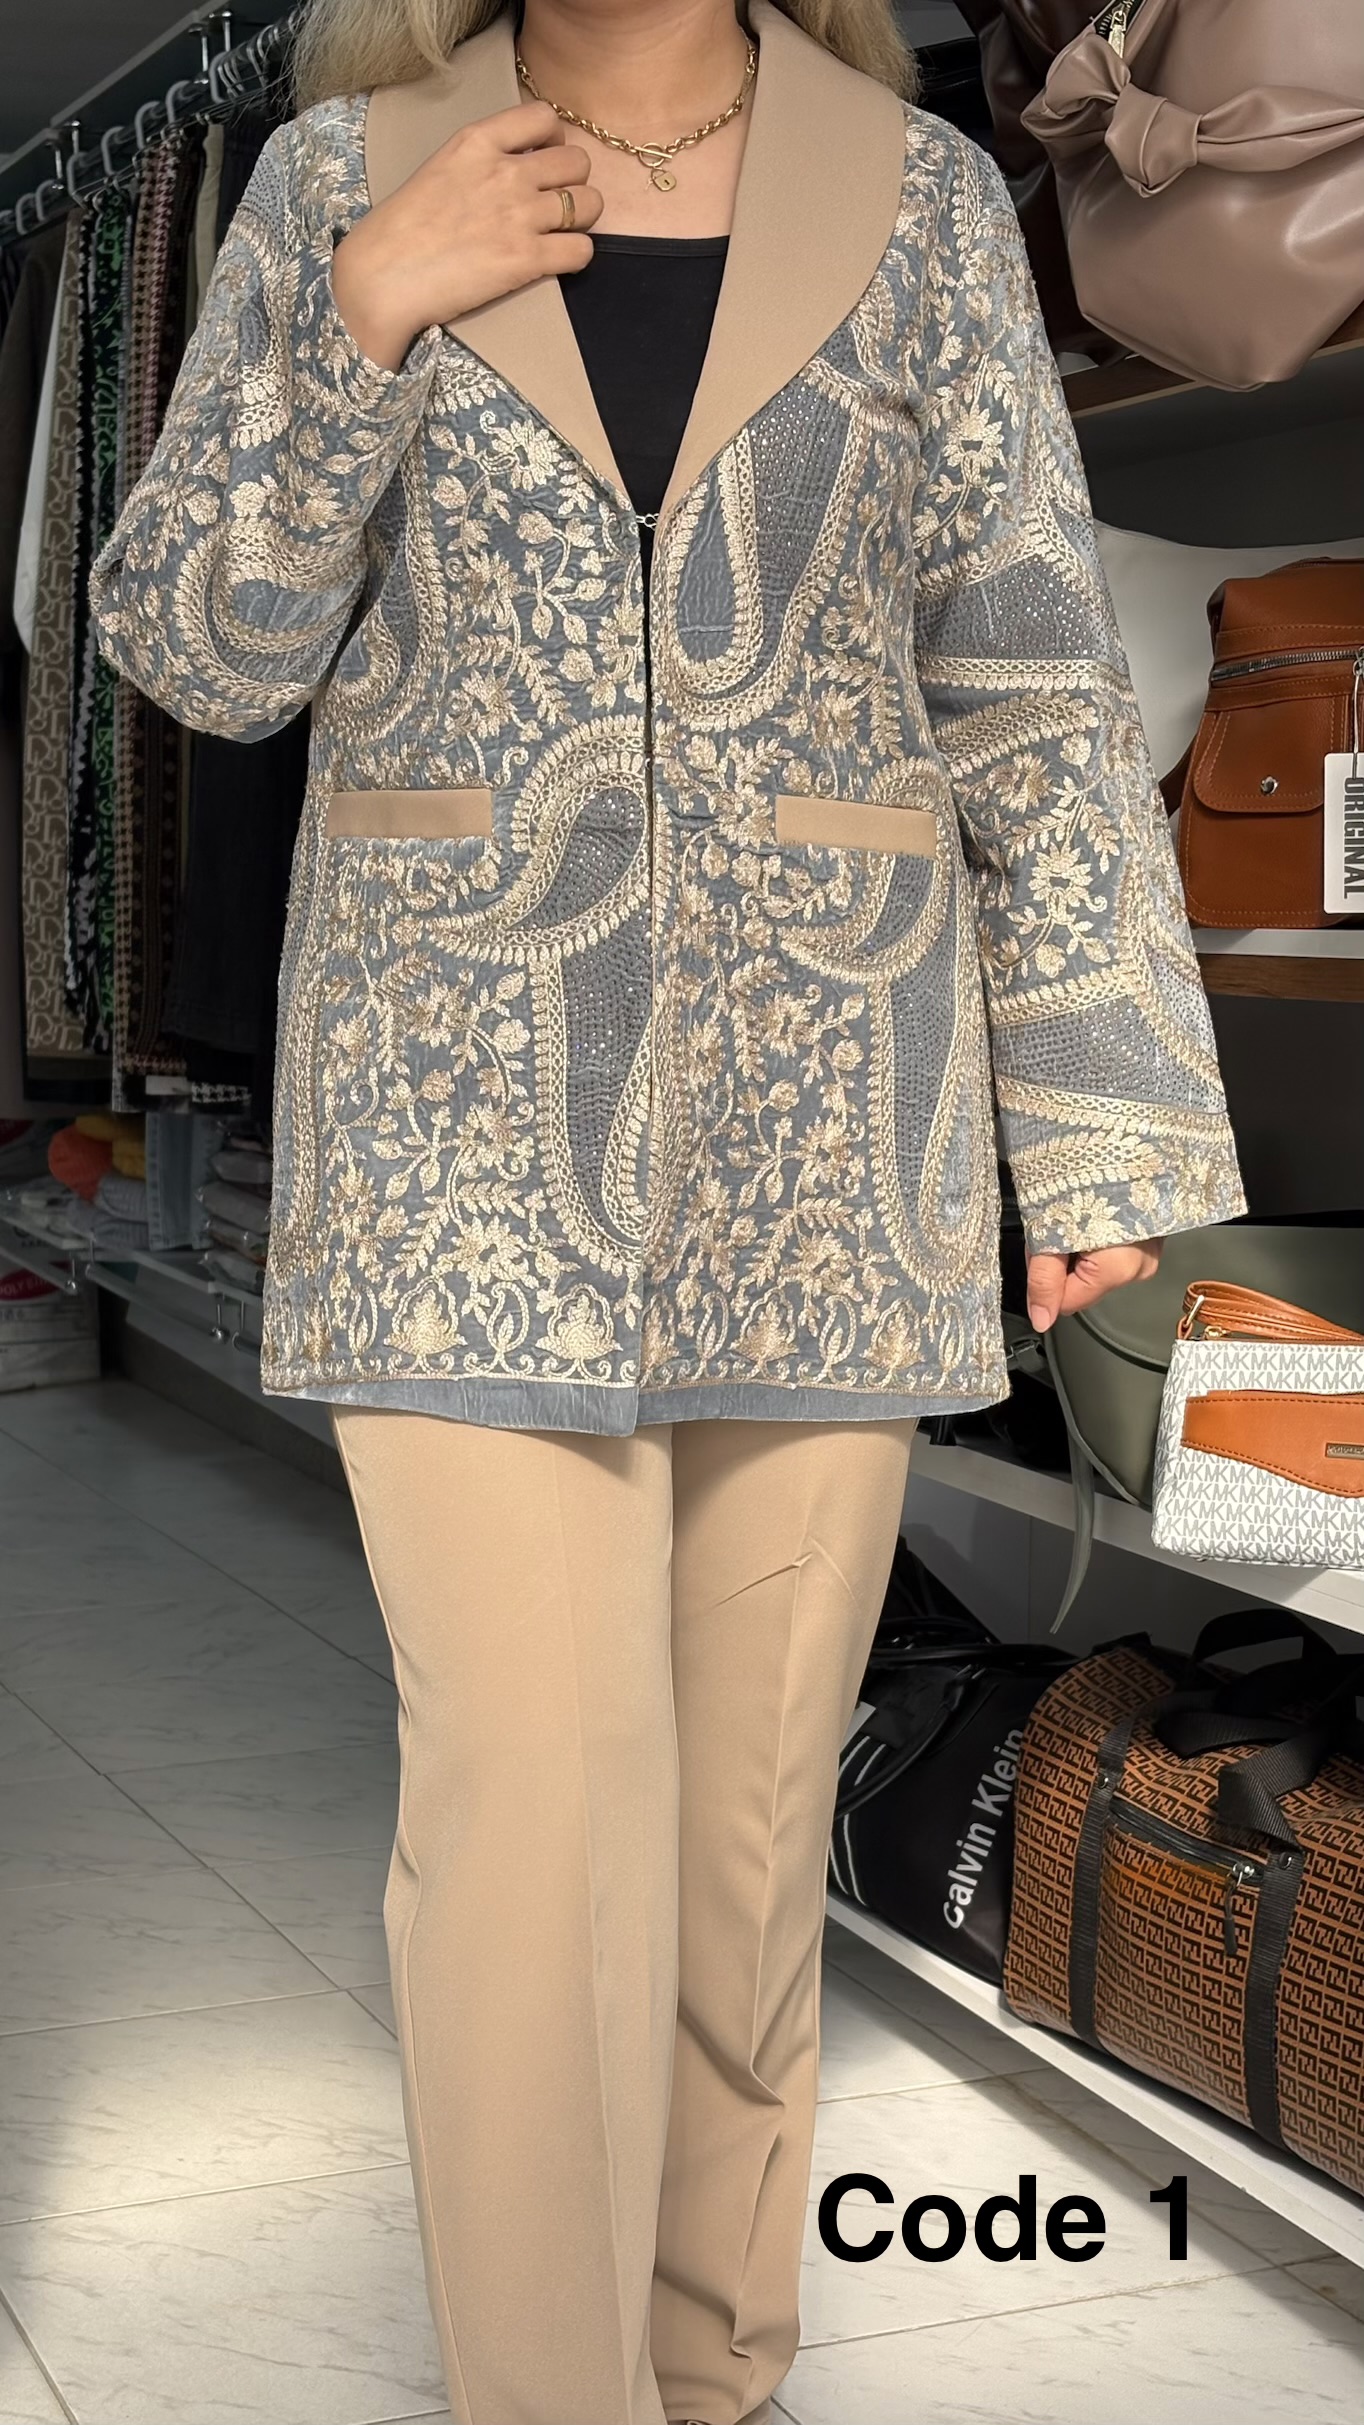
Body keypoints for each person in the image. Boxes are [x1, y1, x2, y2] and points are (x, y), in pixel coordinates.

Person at [90, 3, 1244, 2418]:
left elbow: (1030, 686)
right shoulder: (337, 182)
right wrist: (361, 322)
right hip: (456, 1128)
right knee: (530, 1834)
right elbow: (197, 651)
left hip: (834, 1125)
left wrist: (1102, 1125)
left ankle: (715, 2374)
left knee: (738, 1845)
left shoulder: (923, 201)